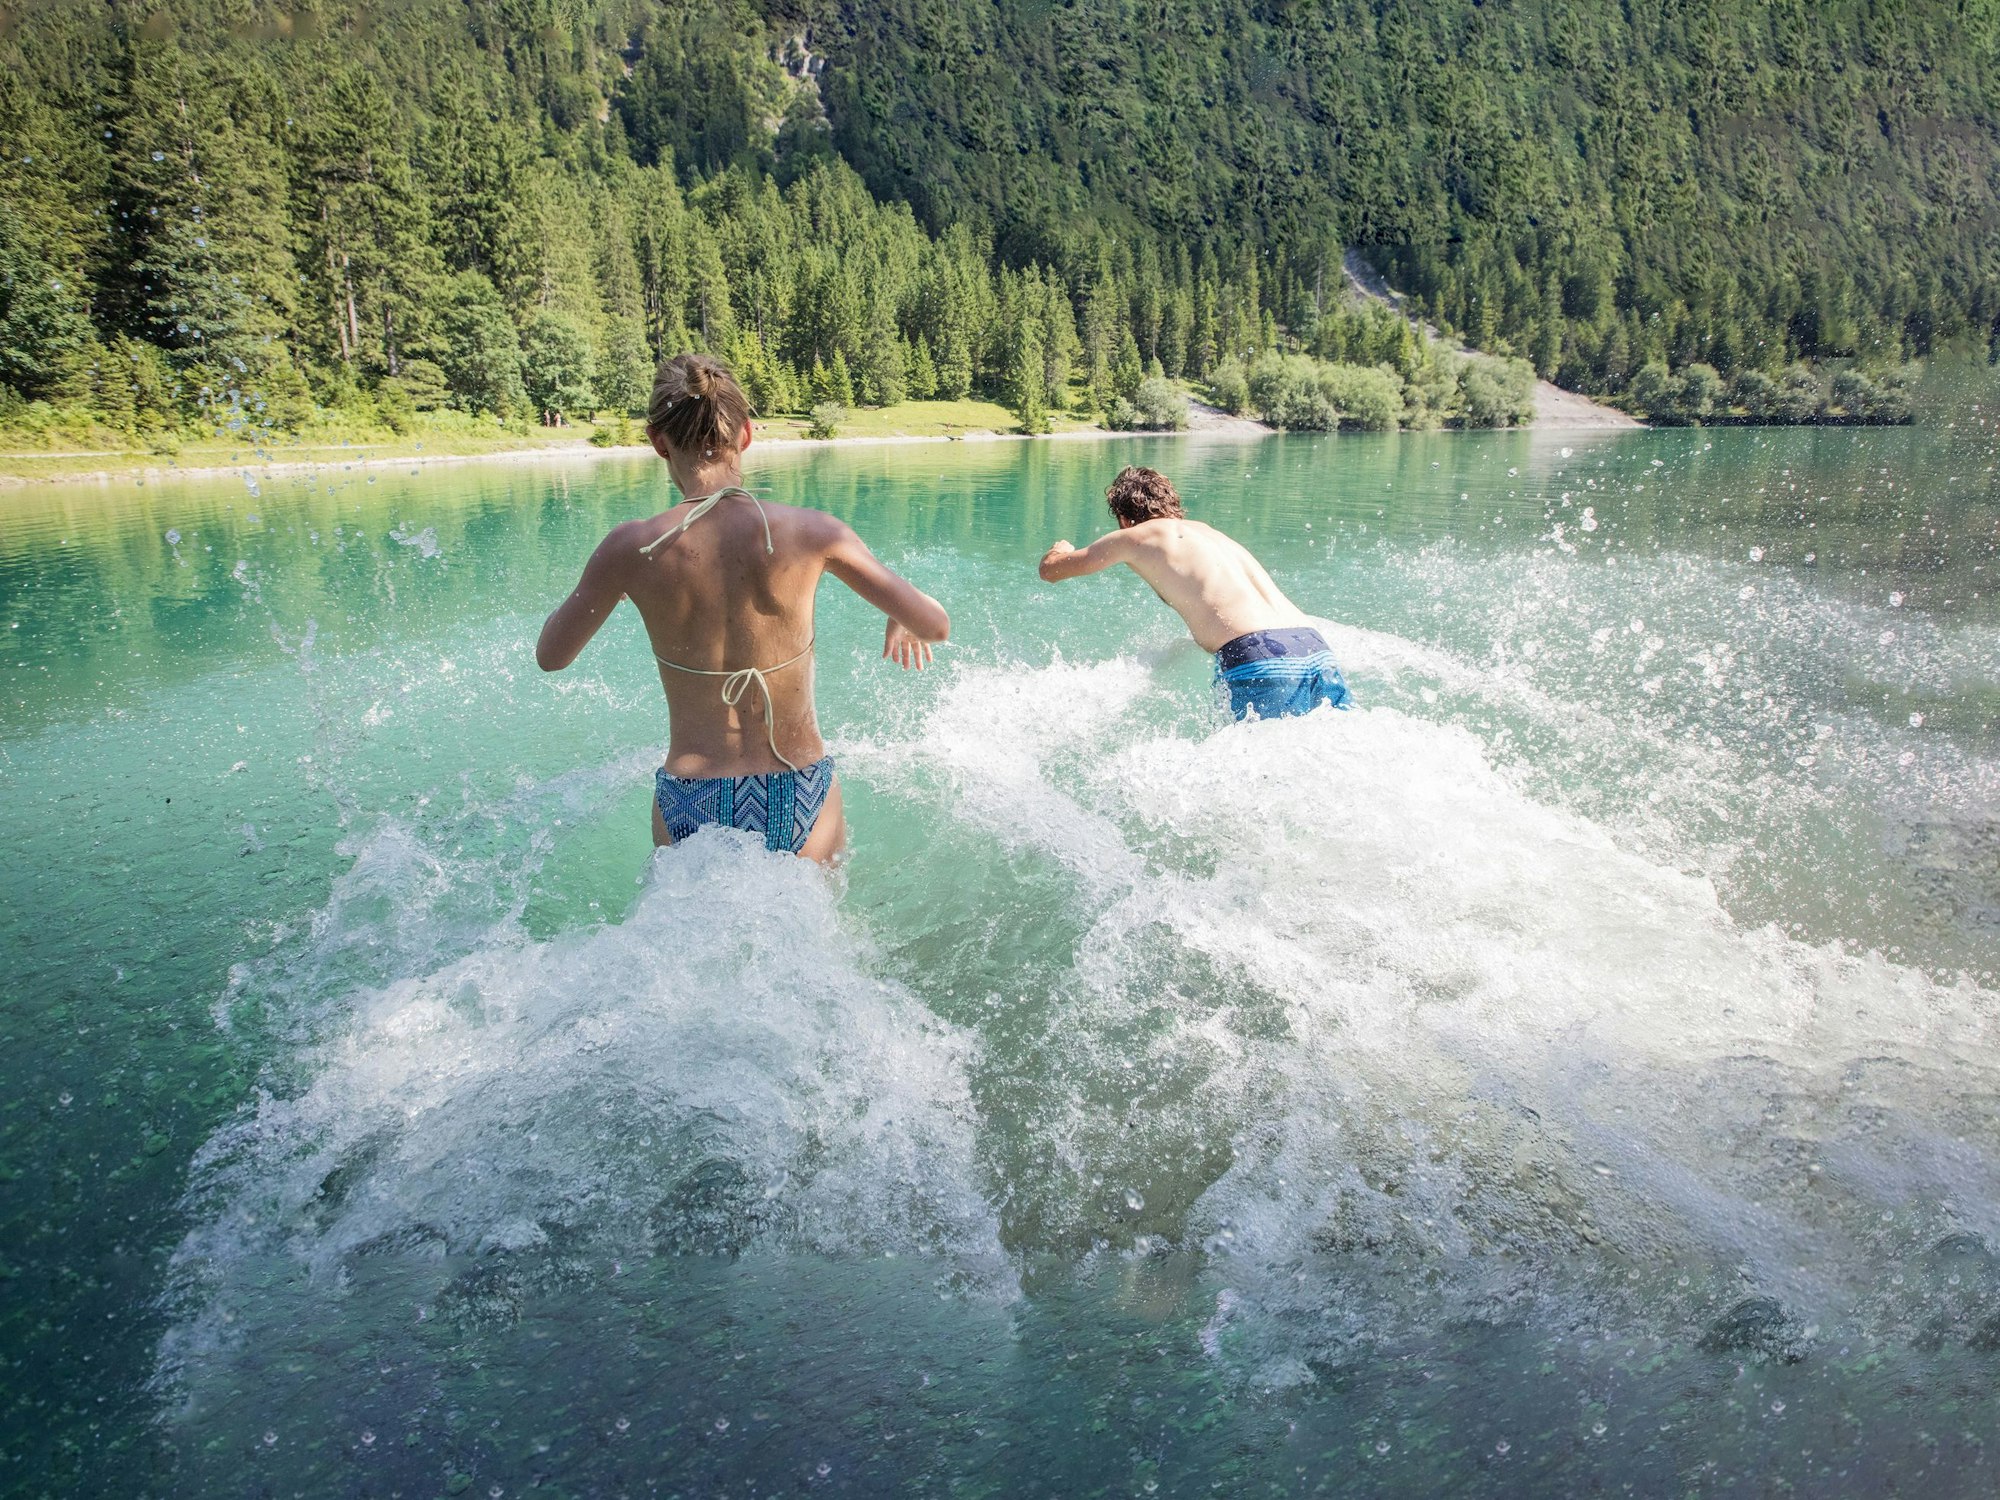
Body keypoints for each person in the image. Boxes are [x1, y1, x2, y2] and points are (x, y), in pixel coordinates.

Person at [537, 354, 949, 862]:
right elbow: (935, 625)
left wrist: (617, 580)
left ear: (658, 441)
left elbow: (551, 656)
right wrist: (900, 613)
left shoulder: (634, 549)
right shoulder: (814, 532)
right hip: (799, 789)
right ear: (747, 435)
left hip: (690, 796)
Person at [1038, 465, 1349, 720]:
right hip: (1317, 651)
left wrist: (1059, 550)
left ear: (1123, 517)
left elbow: (1051, 571)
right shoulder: (1210, 533)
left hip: (1261, 657)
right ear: (1172, 504)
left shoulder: (1134, 536)